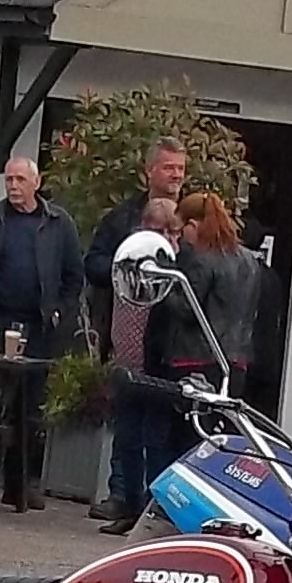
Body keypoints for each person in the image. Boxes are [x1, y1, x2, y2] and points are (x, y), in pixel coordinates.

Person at [0, 153, 86, 500]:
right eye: (9, 179)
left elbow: (73, 276)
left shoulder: (58, 224)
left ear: (37, 182)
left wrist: (59, 313)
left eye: (20, 179)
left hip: (39, 327)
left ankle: (22, 486)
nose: (13, 186)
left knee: (31, 408)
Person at [98, 194, 187, 527]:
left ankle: (153, 511)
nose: (168, 239)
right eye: (161, 231)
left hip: (157, 368)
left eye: (173, 232)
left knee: (156, 442)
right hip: (127, 361)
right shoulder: (132, 260)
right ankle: (130, 505)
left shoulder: (178, 268)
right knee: (127, 439)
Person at [85, 135, 190, 353]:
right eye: (169, 168)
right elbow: (93, 264)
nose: (177, 175)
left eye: (181, 168)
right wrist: (128, 272)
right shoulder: (122, 217)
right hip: (127, 333)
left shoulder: (195, 217)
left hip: (179, 337)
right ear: (149, 170)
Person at [177, 194, 262, 392]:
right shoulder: (249, 260)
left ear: (192, 225)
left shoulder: (201, 259)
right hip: (237, 358)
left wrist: (167, 288)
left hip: (197, 357)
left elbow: (188, 309)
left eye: (181, 229)